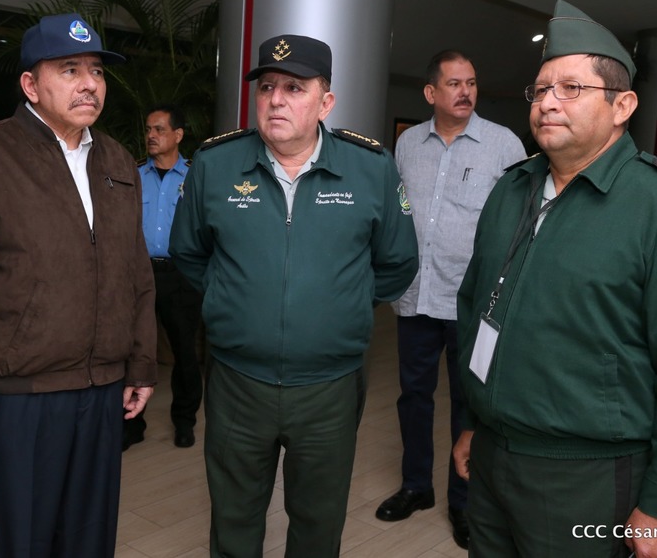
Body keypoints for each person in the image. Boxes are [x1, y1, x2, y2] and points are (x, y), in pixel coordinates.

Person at [453, 0, 657, 558]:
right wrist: (474, 421)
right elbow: (477, 307)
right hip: (492, 457)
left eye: (571, 88)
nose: (548, 102)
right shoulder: (511, 189)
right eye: (540, 90)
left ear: (622, 105)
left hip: (587, 476)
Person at [169, 34, 419, 557]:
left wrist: (340, 305)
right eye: (266, 87)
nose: (276, 100)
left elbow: (397, 263)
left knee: (318, 525)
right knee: (233, 522)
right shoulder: (215, 164)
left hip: (329, 388)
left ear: (326, 102)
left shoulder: (370, 167)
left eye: (294, 88)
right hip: (238, 383)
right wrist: (233, 300)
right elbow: (189, 254)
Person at [0, 13, 157, 557]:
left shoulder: (117, 160)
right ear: (30, 84)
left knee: (88, 539)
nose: (89, 84)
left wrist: (141, 364)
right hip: (19, 398)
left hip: (101, 391)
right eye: (70, 69)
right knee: (19, 541)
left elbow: (136, 274)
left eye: (96, 71)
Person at [375, 50, 525, 550]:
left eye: (472, 83)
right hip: (417, 295)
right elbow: (396, 213)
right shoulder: (407, 144)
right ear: (430, 92)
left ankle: (463, 501)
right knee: (413, 397)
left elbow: (520, 220)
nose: (466, 92)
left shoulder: (503, 144)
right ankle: (416, 486)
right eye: (455, 83)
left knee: (469, 404)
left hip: (472, 300)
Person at [123, 103, 202, 451]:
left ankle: (184, 422)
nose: (151, 136)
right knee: (132, 348)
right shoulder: (134, 175)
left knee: (185, 351)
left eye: (159, 129)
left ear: (178, 135)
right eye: (148, 130)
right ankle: (131, 423)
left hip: (180, 274)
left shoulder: (195, 177)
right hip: (139, 273)